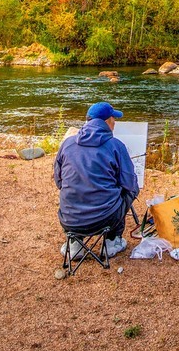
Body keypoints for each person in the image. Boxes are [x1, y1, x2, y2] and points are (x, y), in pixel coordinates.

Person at [53, 102, 139, 258]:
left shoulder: (67, 144)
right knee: (130, 190)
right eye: (114, 118)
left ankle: (75, 244)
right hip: (104, 220)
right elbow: (129, 183)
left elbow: (59, 182)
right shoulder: (116, 146)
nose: (115, 122)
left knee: (76, 190)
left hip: (69, 219)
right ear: (106, 122)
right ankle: (112, 241)